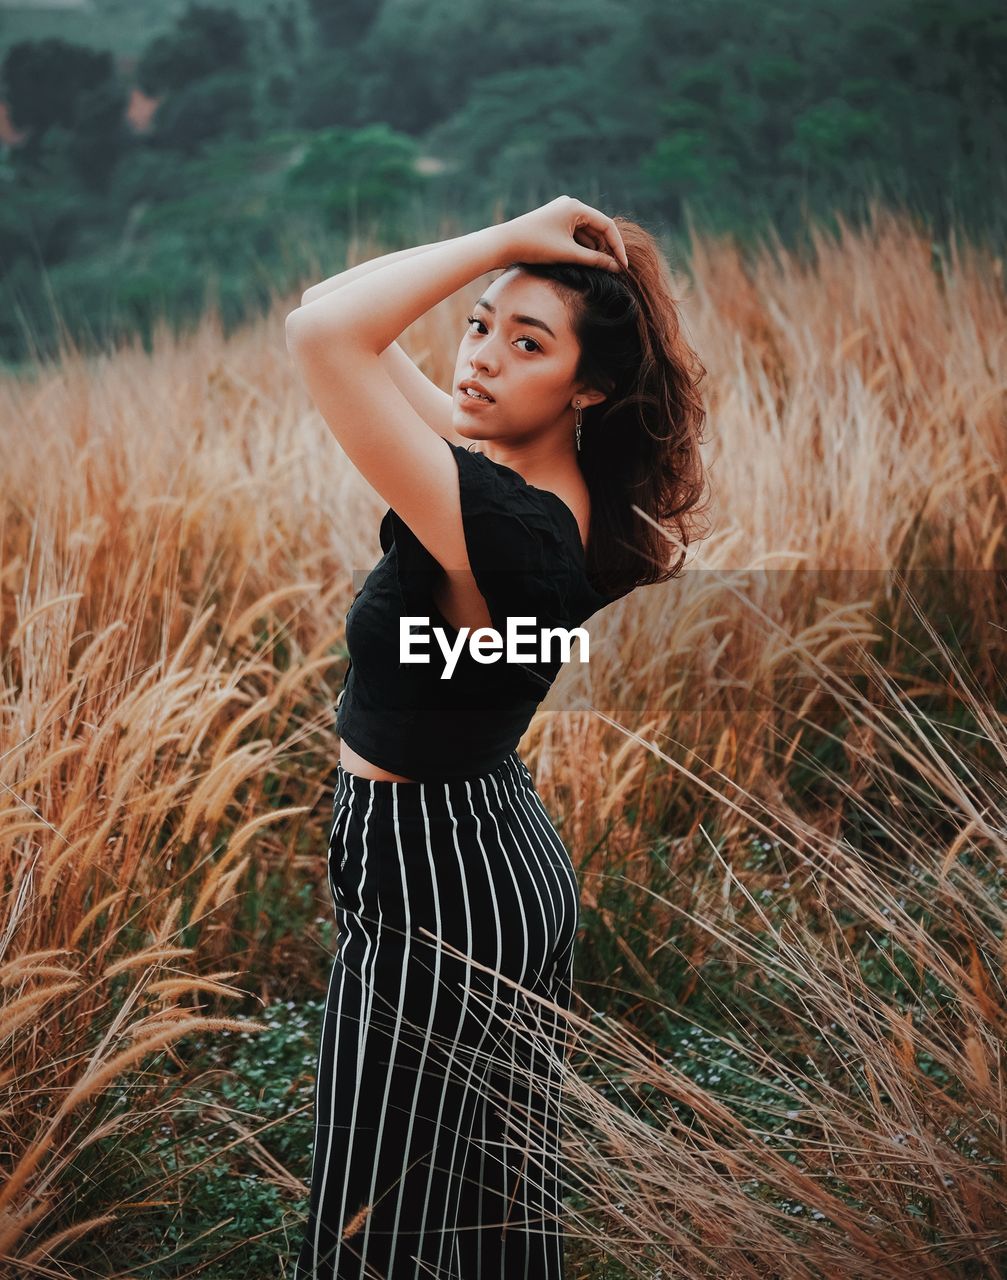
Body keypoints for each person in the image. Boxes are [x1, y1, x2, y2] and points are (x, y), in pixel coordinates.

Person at [284, 196, 708, 1279]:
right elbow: (329, 310)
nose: (478, 359)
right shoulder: (524, 480)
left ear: (588, 387)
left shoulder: (506, 526)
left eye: (527, 344)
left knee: (374, 1220)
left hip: (442, 880)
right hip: (466, 850)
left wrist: (502, 240)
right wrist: (508, 266)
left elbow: (321, 337)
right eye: (476, 324)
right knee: (475, 1205)